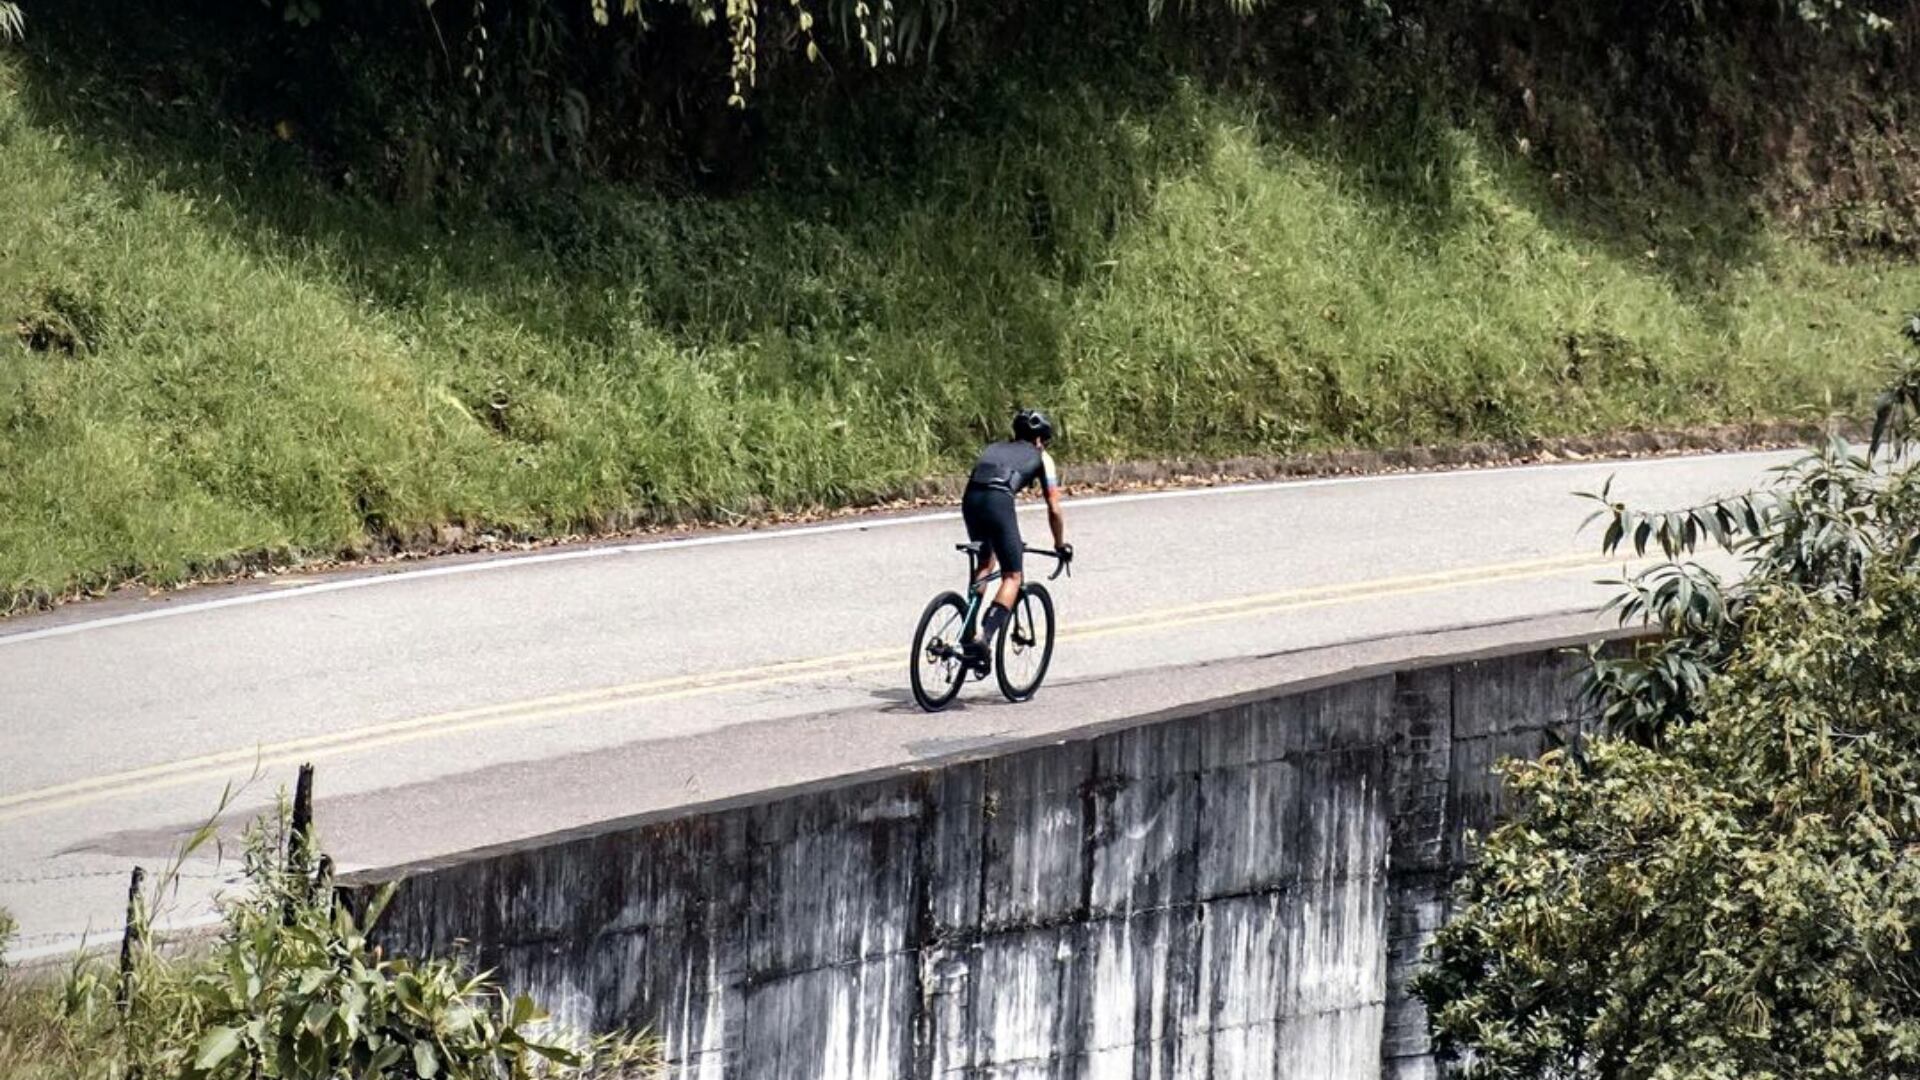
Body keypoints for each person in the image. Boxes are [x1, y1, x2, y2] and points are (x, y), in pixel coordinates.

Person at [961, 409, 1072, 672]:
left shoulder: (995, 447)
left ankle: (967, 630)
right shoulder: (1042, 457)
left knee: (985, 562)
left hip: (970, 498)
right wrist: (1060, 544)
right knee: (1012, 576)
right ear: (1040, 440)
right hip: (998, 501)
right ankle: (984, 638)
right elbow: (1054, 508)